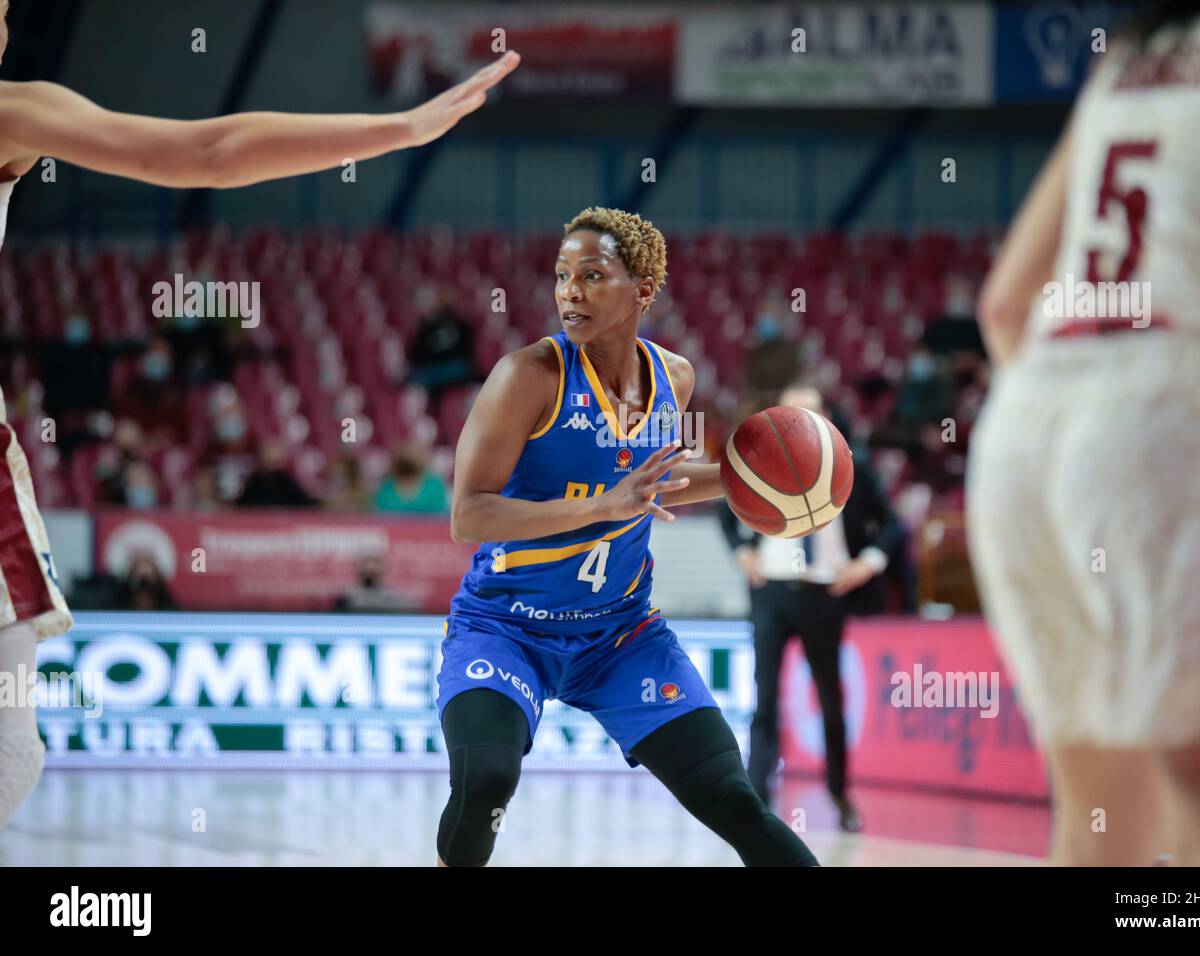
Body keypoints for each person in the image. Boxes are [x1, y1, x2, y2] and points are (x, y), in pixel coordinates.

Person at [0, 2, 519, 831]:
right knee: (11, 759)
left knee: (13, 759)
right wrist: (398, 128)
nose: (5, 24)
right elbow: (208, 151)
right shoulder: (9, 110)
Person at [967, 0, 1200, 865]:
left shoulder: (1127, 59)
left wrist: (1091, 444)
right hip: (1178, 404)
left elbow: (1004, 302)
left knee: (1105, 831)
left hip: (1031, 423)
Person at [436, 207, 818, 866]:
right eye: (561, 276)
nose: (569, 291)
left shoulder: (674, 378)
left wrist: (749, 478)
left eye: (591, 275)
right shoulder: (529, 376)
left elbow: (649, 484)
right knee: (486, 782)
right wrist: (599, 508)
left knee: (732, 797)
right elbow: (468, 514)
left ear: (643, 289)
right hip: (506, 628)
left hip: (619, 636)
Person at [719, 382, 906, 833]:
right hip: (773, 590)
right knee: (764, 697)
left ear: (826, 418)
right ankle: (757, 800)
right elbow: (728, 508)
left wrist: (867, 563)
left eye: (811, 412)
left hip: (826, 590)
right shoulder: (761, 462)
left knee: (830, 698)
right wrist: (742, 550)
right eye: (792, 413)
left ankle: (840, 794)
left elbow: (892, 524)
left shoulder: (849, 465)